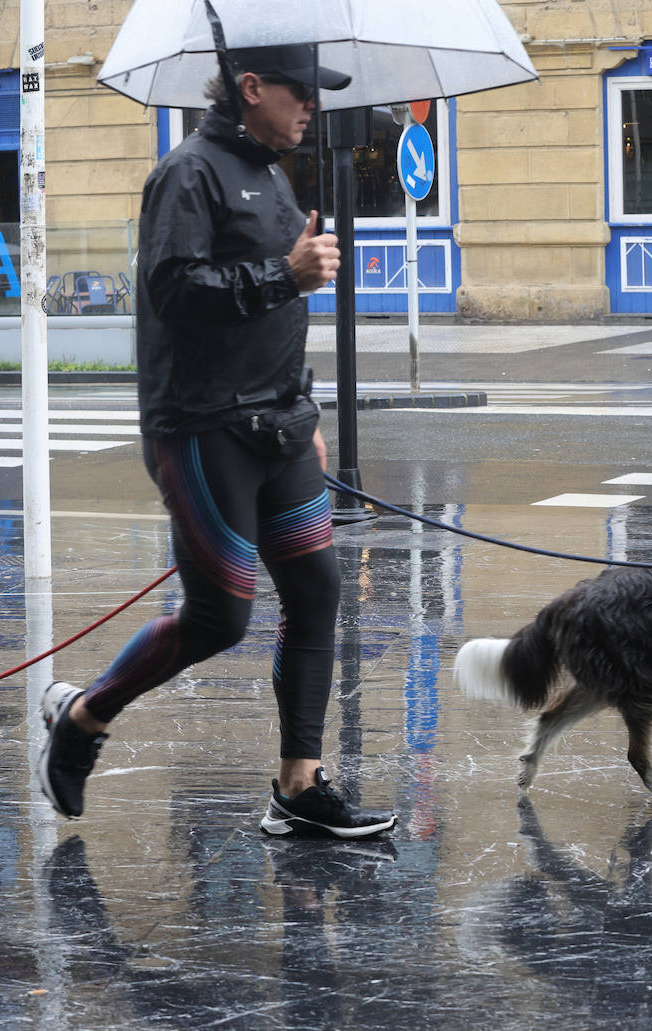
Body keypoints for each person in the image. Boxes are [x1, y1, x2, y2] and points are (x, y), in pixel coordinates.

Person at [36, 43, 397, 839]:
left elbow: (277, 317)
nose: (312, 107)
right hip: (202, 430)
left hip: (281, 430)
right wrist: (285, 274)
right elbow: (172, 291)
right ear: (252, 86)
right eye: (300, 92)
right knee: (220, 619)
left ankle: (298, 785)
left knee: (316, 593)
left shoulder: (273, 171)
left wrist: (306, 416)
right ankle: (84, 717)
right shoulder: (187, 172)